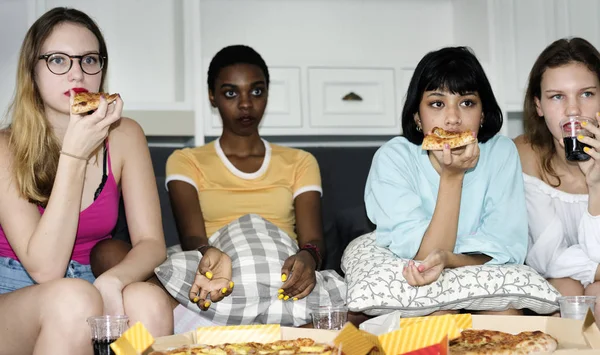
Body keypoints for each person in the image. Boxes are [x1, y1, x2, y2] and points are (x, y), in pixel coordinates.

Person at [0, 7, 173, 353]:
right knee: (73, 301)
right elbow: (46, 269)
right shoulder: (5, 148)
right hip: (17, 300)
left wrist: (112, 281)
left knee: (149, 303)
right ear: (32, 70)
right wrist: (75, 155)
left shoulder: (126, 135)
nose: (77, 73)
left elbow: (152, 243)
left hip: (94, 284)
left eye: (89, 60)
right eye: (58, 60)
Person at [165, 45, 327, 317]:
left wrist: (307, 257)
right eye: (230, 93)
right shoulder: (186, 160)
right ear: (212, 97)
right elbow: (191, 236)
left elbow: (312, 239)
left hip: (279, 268)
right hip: (213, 265)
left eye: (256, 91)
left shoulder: (300, 161)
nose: (245, 104)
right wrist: (212, 257)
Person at [364, 46, 528, 314]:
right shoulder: (393, 157)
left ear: (483, 113)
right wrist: (453, 177)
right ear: (417, 116)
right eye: (437, 104)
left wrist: (450, 259)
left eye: (467, 103)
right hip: (418, 285)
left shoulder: (501, 151)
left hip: (480, 277)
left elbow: (506, 247)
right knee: (441, 317)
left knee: (507, 314)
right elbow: (425, 255)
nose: (452, 119)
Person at [514, 37, 600, 317]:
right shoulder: (521, 155)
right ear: (538, 106)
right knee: (565, 291)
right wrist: (594, 271)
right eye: (557, 96)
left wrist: (596, 186)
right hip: (554, 283)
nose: (573, 110)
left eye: (586, 94)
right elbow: (545, 258)